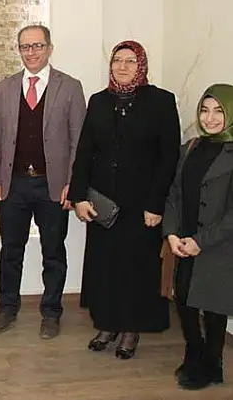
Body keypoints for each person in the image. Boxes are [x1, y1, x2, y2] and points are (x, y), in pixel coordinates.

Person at [69, 40, 180, 359]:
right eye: (117, 60)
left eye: (130, 61)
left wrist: (156, 204)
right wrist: (79, 196)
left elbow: (168, 158)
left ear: (141, 65)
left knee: (136, 268)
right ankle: (107, 324)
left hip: (141, 203)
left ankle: (131, 329)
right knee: (105, 267)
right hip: (103, 202)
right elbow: (84, 152)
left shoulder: (161, 101)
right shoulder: (99, 101)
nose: (122, 66)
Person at [0, 25, 86, 339]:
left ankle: (51, 312)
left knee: (53, 251)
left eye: (37, 46)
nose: (31, 52)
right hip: (13, 185)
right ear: (19, 50)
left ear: (49, 48)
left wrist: (74, 183)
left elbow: (79, 142)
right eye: (25, 47)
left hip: (52, 187)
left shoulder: (70, 87)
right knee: (10, 251)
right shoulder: (5, 88)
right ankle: (7, 308)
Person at [163, 83, 233, 390]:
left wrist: (201, 241)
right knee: (184, 299)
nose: (210, 118)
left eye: (219, 111)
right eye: (205, 110)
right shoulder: (191, 147)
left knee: (214, 308)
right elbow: (174, 194)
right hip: (184, 240)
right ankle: (194, 351)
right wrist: (171, 232)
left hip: (218, 244)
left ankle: (212, 364)